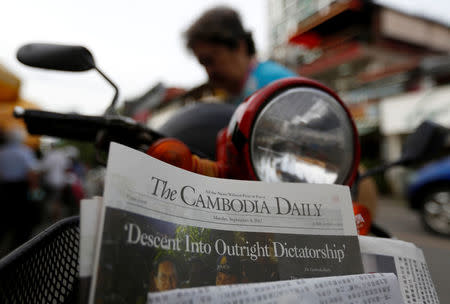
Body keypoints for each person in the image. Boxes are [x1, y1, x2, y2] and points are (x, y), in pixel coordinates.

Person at [184, 6, 296, 105]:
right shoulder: (237, 95)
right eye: (203, 63)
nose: (209, 71)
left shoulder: (275, 86)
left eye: (210, 60)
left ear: (239, 46)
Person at [0, 128, 39, 252]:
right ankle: (18, 252)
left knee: (5, 218)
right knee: (23, 221)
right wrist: (36, 195)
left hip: (4, 188)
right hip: (21, 189)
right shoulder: (25, 151)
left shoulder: (2, 152)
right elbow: (32, 174)